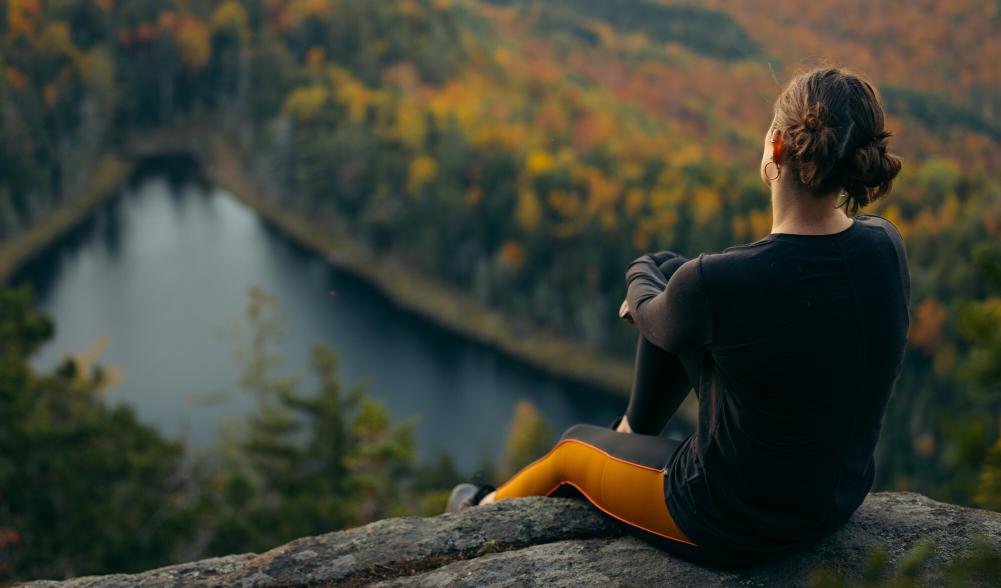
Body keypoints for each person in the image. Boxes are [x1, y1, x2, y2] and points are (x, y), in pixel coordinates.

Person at [446, 67, 909, 568]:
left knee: (568, 453)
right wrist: (661, 286)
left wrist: (639, 274)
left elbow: (652, 315)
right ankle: (629, 433)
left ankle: (476, 511)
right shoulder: (885, 244)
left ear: (776, 147)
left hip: (731, 521)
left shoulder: (721, 282)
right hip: (835, 499)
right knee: (673, 274)